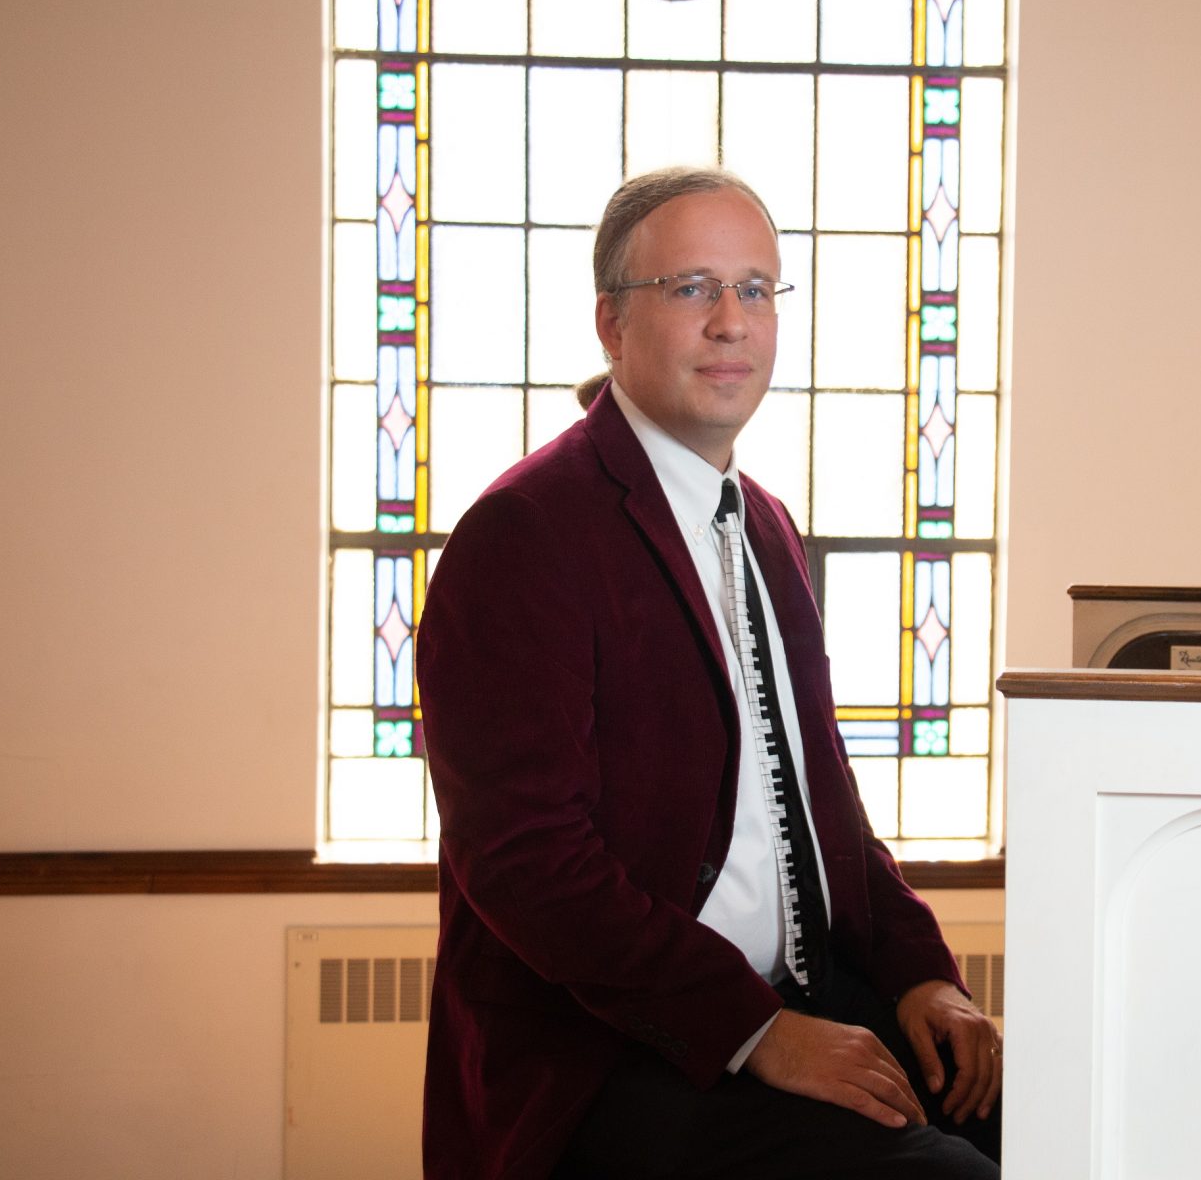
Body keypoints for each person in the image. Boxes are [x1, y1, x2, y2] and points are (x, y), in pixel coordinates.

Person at [417, 167, 1002, 1180]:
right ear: (610, 321)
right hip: (613, 1050)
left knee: (1074, 1118)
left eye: (757, 288)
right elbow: (524, 858)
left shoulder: (766, 523)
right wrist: (757, 1030)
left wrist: (919, 975)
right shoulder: (523, 533)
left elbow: (821, 798)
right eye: (692, 288)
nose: (732, 321)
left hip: (798, 995)